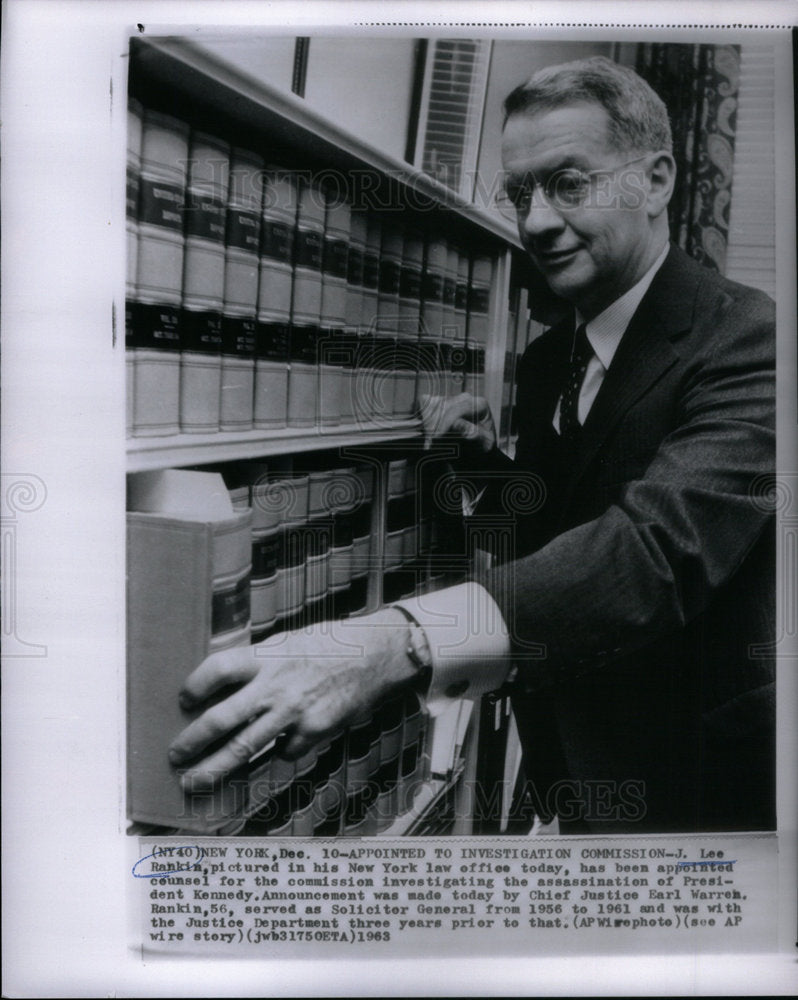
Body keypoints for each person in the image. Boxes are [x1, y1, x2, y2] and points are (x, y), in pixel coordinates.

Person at [168, 56, 775, 834]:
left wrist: (400, 640)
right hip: (570, 771)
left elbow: (657, 552)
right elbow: (557, 528)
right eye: (521, 193)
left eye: (569, 183)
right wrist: (467, 463)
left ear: (656, 181)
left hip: (699, 786)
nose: (538, 222)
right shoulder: (556, 354)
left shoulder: (752, 339)